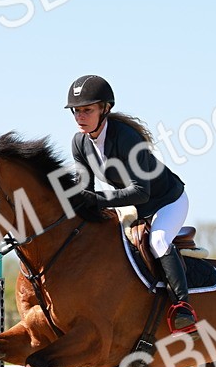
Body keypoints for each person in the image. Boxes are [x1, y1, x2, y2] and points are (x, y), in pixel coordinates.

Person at [65, 74, 199, 335]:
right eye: (77, 111)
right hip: (134, 207)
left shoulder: (126, 138)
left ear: (105, 108)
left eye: (87, 110)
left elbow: (140, 192)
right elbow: (86, 190)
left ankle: (183, 308)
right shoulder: (79, 143)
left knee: (158, 241)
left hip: (166, 201)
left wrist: (96, 200)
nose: (81, 117)